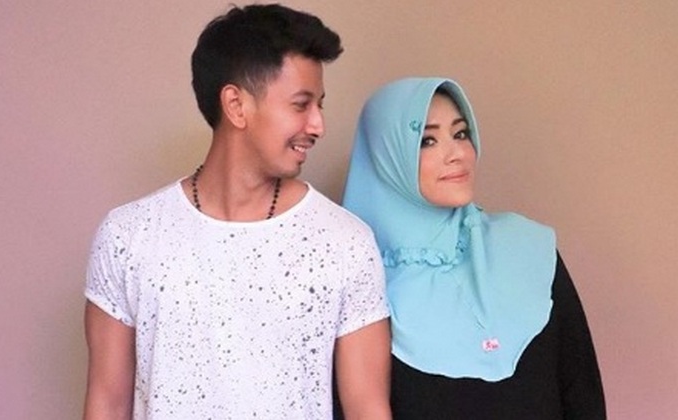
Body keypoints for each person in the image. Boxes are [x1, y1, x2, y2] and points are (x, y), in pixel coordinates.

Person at [82, 4, 391, 419]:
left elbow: (368, 409)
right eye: (301, 105)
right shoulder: (128, 236)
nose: (318, 125)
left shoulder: (345, 242)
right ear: (236, 105)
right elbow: (107, 402)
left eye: (320, 105)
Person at [341, 77, 605, 419]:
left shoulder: (527, 247)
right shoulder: (361, 279)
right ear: (386, 156)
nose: (457, 154)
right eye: (428, 140)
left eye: (461, 133)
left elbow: (581, 390)